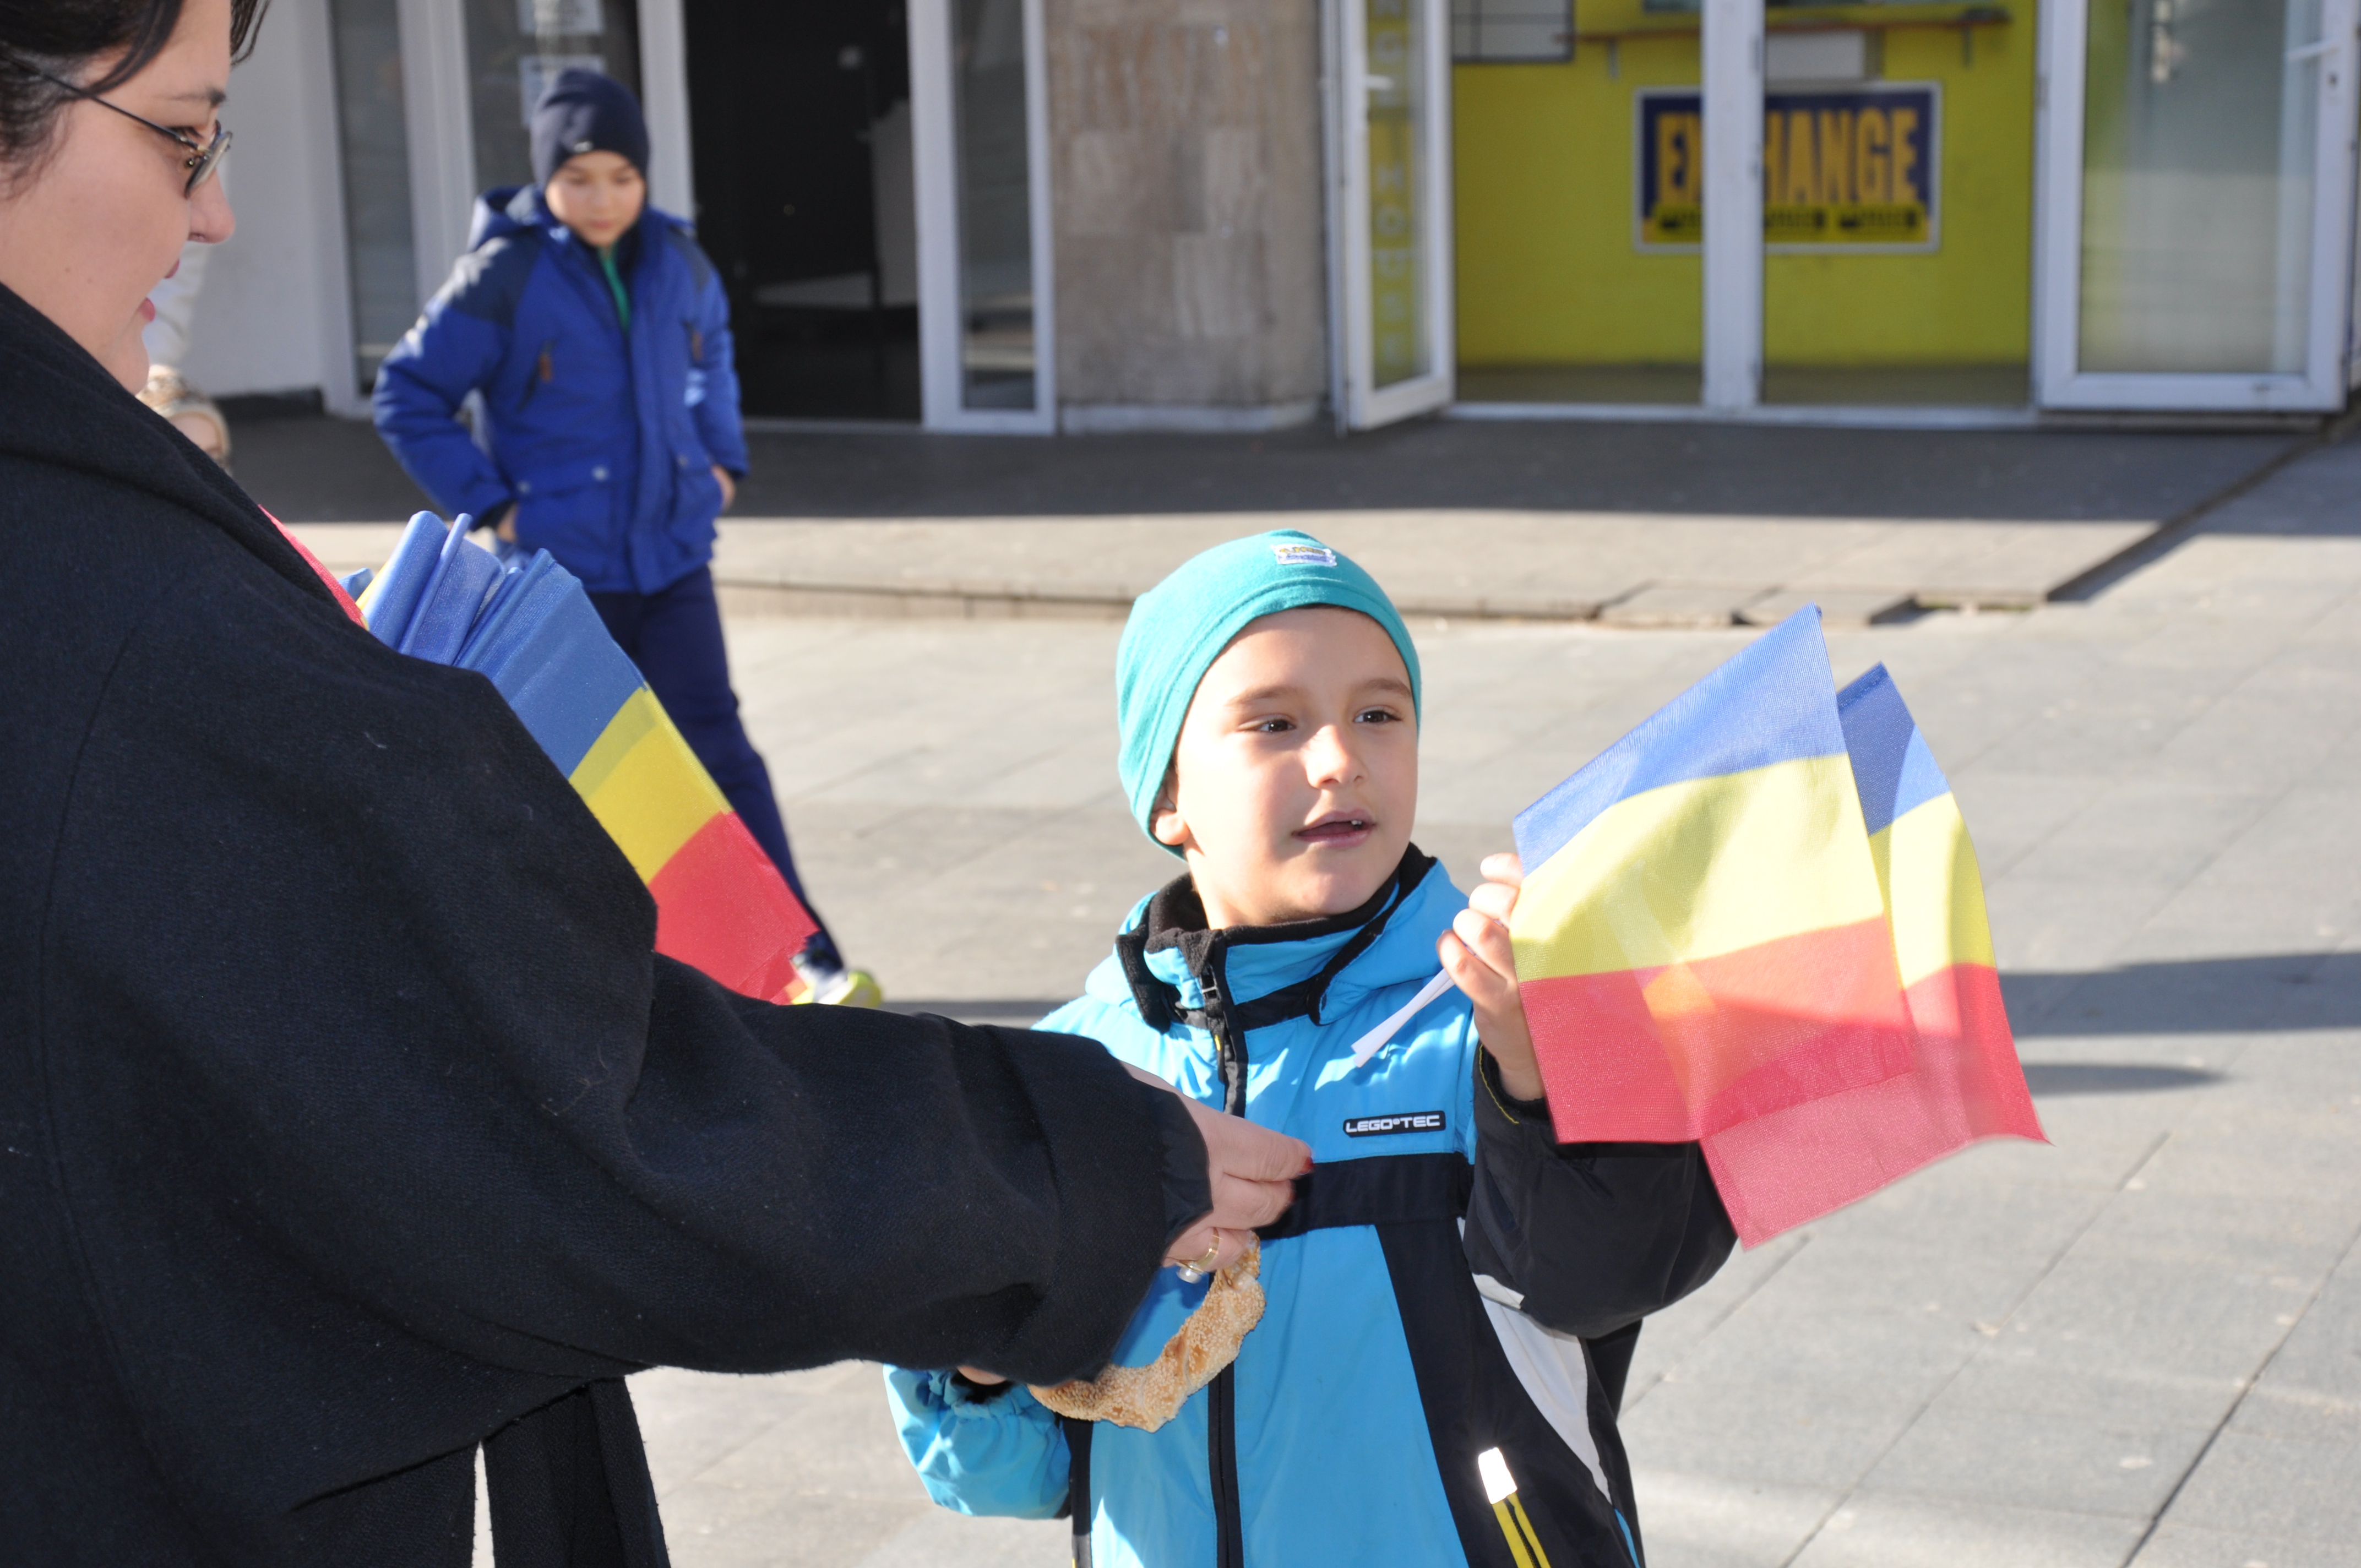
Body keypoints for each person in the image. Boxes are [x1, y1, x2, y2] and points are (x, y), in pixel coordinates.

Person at [0, 3, 1311, 1561]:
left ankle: (797, 943)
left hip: (654, 570)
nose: (214, 206)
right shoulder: (127, 625)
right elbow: (574, 1117)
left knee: (715, 777)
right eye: (184, 128)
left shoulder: (667, 267)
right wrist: (1072, 1166)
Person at [885, 532, 1738, 1568]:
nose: (1340, 758)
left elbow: (1616, 1276)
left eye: (1379, 713)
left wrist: (1544, 1073)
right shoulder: (1076, 1076)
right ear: (1168, 797)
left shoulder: (1490, 1019)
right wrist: (977, 1353)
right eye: (1274, 723)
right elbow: (1014, 1474)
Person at [371, 69, 876, 1008]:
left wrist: (721, 463)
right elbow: (407, 393)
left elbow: (712, 360)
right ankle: (585, 969)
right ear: (545, 181)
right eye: (579, 178)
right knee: (574, 772)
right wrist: (493, 506)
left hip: (674, 561)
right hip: (566, 577)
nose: (602, 198)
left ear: (644, 177)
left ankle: (802, 958)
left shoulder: (681, 263)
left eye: (620, 176)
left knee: (722, 757)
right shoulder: (506, 274)